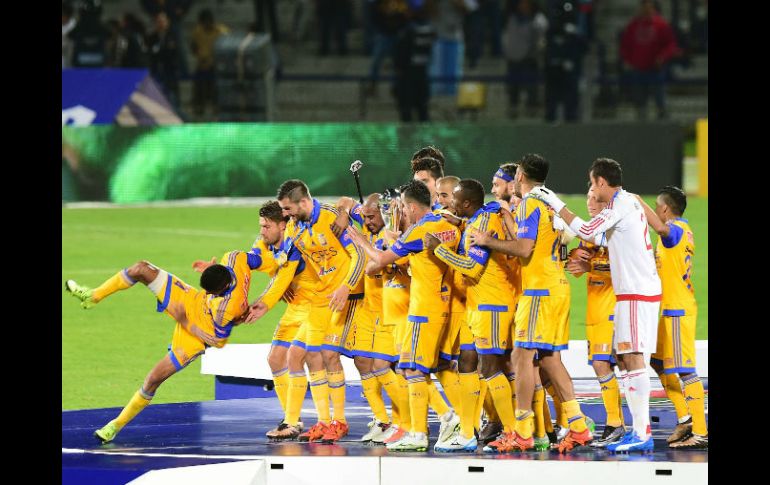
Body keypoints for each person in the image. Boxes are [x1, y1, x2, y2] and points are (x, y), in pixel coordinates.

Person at [527, 157, 662, 452]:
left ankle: (642, 432)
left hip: (636, 292)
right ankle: (636, 430)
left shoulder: (620, 205)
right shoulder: (626, 204)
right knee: (626, 359)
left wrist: (553, 202)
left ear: (601, 182)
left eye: (591, 183)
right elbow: (598, 236)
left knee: (634, 358)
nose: (590, 189)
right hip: (632, 292)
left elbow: (588, 232)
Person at [469, 154, 591, 453]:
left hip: (538, 292)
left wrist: (487, 241)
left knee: (523, 356)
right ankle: (578, 426)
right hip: (556, 287)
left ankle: (522, 431)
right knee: (549, 358)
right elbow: (537, 239)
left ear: (520, 175)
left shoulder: (528, 204)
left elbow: (524, 249)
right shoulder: (546, 202)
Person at [64, 252, 254, 443]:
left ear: (222, 288)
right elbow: (258, 258)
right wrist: (211, 270)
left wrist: (185, 322)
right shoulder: (234, 259)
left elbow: (217, 341)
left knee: (153, 379)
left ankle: (114, 426)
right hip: (192, 300)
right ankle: (92, 296)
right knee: (141, 269)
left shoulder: (228, 308)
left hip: (196, 335)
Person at [246, 180, 365, 443]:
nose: (284, 214)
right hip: (322, 300)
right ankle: (323, 422)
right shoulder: (295, 228)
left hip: (348, 297)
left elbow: (359, 254)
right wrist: (268, 297)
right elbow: (285, 265)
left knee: (338, 357)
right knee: (307, 356)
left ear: (303, 202)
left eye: (287, 209)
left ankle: (341, 421)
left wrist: (346, 287)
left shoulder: (332, 218)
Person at [351, 179, 461, 451]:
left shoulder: (419, 231)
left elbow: (380, 260)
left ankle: (426, 430)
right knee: (412, 367)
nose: (399, 209)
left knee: (411, 368)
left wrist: (360, 241)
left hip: (423, 309)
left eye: (401, 205)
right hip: (439, 305)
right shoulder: (446, 225)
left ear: (411, 207)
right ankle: (441, 420)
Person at [427, 179, 519, 452]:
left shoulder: (481, 224)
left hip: (491, 305)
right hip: (481, 305)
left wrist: (439, 249)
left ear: (466, 203)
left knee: (491, 369)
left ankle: (513, 432)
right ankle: (470, 433)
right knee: (477, 366)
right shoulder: (479, 218)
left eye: (453, 199)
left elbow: (471, 267)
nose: (449, 204)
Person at [333, 194, 410, 443]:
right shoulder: (368, 223)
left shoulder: (395, 234)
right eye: (364, 217)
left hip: (391, 310)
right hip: (369, 308)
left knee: (384, 367)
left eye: (371, 217)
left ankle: (407, 422)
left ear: (384, 214)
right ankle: (382, 419)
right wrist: (345, 214)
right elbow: (344, 200)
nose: (366, 222)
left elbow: (375, 265)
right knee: (362, 361)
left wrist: (366, 246)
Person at [637, 187, 707, 449]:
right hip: (667, 309)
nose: (655, 209)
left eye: (656, 206)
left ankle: (701, 431)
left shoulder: (675, 230)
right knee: (657, 361)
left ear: (665, 209)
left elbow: (662, 230)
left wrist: (637, 202)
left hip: (678, 310)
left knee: (686, 370)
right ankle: (686, 417)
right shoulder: (683, 230)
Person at [565, 187, 626, 448]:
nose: (589, 202)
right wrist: (571, 257)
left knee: (605, 364)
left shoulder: (619, 230)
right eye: (588, 196)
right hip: (594, 309)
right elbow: (578, 269)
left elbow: (628, 266)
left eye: (595, 198)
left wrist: (592, 266)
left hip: (613, 308)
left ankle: (616, 423)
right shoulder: (590, 233)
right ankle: (616, 423)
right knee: (600, 365)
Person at [619, 0, 680, 120]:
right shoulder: (633, 25)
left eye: (649, 8)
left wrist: (662, 57)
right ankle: (642, 123)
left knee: (659, 99)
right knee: (639, 100)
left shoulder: (661, 25)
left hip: (655, 69)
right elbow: (625, 45)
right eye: (644, 8)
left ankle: (662, 119)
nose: (646, 10)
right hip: (638, 69)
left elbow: (671, 45)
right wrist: (628, 60)